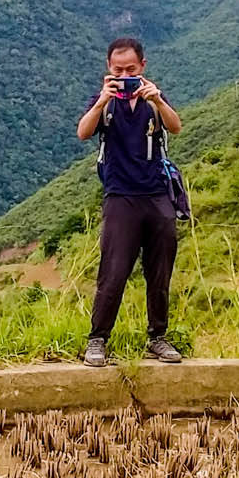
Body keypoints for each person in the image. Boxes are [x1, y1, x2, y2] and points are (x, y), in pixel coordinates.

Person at [76, 36, 183, 367]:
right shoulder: (105, 102)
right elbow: (83, 132)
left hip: (156, 194)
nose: (124, 76)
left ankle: (158, 338)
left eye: (131, 69)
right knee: (114, 270)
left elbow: (176, 127)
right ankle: (97, 340)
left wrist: (159, 100)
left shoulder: (153, 100)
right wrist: (100, 102)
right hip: (120, 196)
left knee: (160, 269)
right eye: (118, 70)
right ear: (109, 68)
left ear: (143, 67)